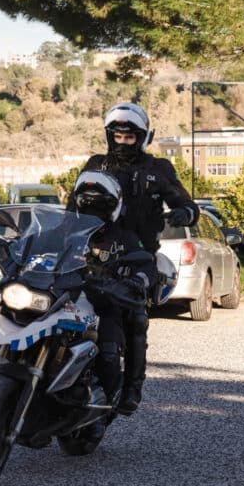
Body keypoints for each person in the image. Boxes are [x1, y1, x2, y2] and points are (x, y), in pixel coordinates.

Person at [67, 102, 200, 414]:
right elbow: (71, 208)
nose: (123, 143)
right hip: (93, 252)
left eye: (130, 137)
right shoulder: (95, 165)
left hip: (139, 256)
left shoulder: (158, 169)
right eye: (117, 137)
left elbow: (189, 206)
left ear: (143, 137)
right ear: (108, 135)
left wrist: (183, 212)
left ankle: (131, 389)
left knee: (135, 320)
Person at [70, 170, 154, 442]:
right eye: (87, 202)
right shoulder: (64, 230)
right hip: (66, 297)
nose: (93, 209)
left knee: (114, 343)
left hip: (105, 303)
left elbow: (146, 264)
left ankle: (118, 396)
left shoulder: (125, 237)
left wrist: (139, 280)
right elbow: (35, 245)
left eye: (100, 204)